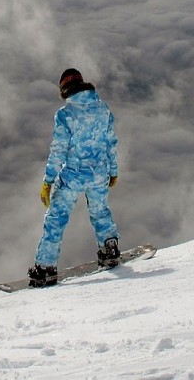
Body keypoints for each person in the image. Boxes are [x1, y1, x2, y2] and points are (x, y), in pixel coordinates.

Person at [28, 68, 120, 287]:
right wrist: (113, 171)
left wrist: (48, 181)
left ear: (65, 90)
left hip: (73, 176)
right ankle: (110, 250)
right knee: (100, 212)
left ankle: (45, 268)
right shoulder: (103, 109)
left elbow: (58, 150)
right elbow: (111, 143)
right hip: (99, 173)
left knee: (56, 220)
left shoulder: (65, 114)